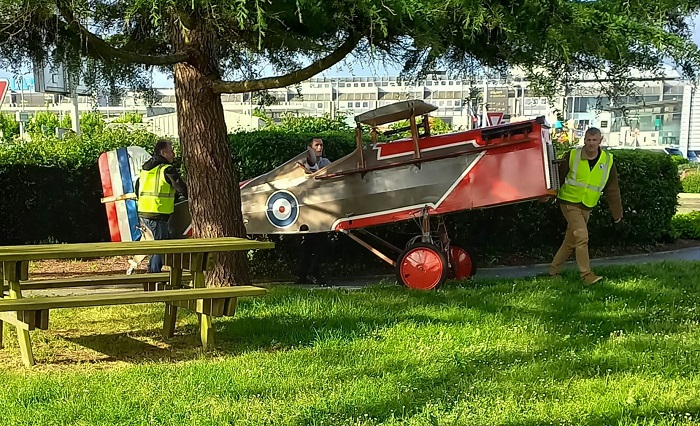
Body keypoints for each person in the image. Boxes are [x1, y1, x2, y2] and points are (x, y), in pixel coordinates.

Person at [548, 127, 623, 286]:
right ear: (584, 140)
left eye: (594, 140)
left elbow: (612, 188)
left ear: (600, 141)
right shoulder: (573, 155)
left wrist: (617, 214)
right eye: (588, 140)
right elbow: (558, 176)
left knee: (570, 242)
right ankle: (586, 275)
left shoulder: (608, 160)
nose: (591, 143)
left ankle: (553, 272)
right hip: (568, 202)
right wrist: (547, 195)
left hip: (587, 205)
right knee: (582, 236)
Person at [135, 139, 188, 273]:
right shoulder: (167, 169)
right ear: (163, 152)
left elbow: (137, 188)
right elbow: (181, 188)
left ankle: (153, 273)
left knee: (158, 244)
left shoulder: (145, 169)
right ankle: (154, 275)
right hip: (157, 213)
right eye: (171, 151)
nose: (173, 154)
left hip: (144, 211)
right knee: (161, 245)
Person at [296, 137, 331, 285]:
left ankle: (304, 275)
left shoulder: (326, 163)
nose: (319, 148)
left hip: (320, 209)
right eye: (316, 145)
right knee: (314, 244)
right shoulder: (301, 163)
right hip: (308, 210)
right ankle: (309, 274)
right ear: (309, 148)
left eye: (321, 145)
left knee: (315, 243)